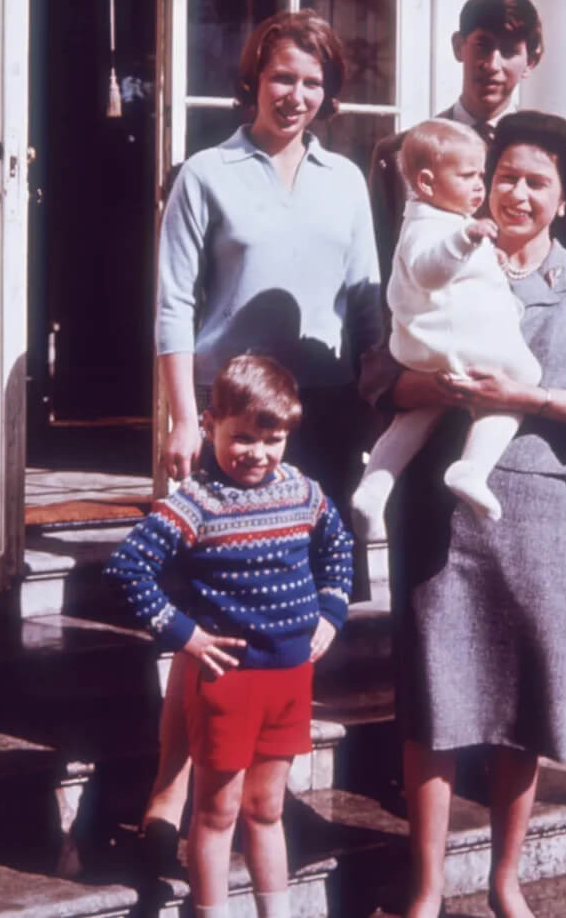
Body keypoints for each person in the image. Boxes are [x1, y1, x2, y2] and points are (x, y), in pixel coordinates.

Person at [364, 111, 566, 918]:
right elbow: (380, 373)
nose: (516, 193)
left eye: (536, 181)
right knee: (432, 698)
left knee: (525, 698)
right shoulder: (440, 255)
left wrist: (527, 397)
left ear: (563, 195)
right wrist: (436, 389)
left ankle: (504, 878)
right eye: (506, 176)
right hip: (437, 507)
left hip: (532, 501)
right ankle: (425, 887)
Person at [145, 9, 381, 870]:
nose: (298, 95)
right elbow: (172, 303)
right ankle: (173, 790)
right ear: (255, 77)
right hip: (227, 419)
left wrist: (387, 387)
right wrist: (183, 419)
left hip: (317, 419)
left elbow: (365, 298)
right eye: (284, 77)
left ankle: (269, 787)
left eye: (314, 83)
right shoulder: (207, 173)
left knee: (287, 615)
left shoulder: (346, 180)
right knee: (207, 620)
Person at [104, 354, 352, 918]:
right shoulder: (195, 501)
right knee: (216, 813)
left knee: (266, 808)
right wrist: (185, 635)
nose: (258, 455)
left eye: (274, 440)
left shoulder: (302, 491)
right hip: (226, 681)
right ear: (211, 422)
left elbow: (339, 547)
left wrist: (331, 612)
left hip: (290, 678)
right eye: (242, 438)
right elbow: (127, 568)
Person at [351, 118, 541, 538]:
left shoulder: (440, 219)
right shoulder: (429, 226)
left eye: (481, 174)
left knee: (418, 415)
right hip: (450, 340)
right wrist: (467, 238)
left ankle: (374, 486)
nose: (479, 185)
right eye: (468, 175)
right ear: (426, 181)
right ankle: (472, 468)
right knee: (524, 378)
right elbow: (429, 271)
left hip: (432, 346)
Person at [367, 0, 566, 292]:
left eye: (509, 51)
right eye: (482, 46)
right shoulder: (401, 153)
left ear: (531, 60)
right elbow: (384, 272)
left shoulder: (559, 150)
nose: (492, 65)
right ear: (458, 47)